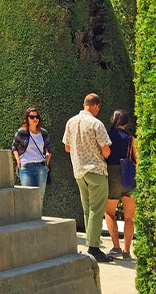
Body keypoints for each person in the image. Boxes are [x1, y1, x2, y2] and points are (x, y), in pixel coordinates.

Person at [63, 93, 113, 263]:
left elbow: (67, 148)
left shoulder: (71, 121)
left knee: (87, 208)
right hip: (96, 171)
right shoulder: (96, 123)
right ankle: (93, 248)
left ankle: (91, 244)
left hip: (79, 171)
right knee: (97, 210)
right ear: (96, 106)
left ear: (84, 104)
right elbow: (106, 151)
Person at [104, 109, 137, 260]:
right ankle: (126, 251)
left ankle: (116, 247)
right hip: (129, 177)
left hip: (113, 176)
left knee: (109, 213)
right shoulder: (131, 139)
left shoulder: (108, 136)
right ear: (126, 122)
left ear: (113, 120)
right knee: (129, 217)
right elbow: (137, 157)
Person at [11, 107, 53, 206]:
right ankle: (29, 220)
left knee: (40, 197)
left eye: (37, 117)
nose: (35, 119)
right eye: (32, 117)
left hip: (41, 167)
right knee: (27, 196)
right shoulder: (22, 132)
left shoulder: (43, 133)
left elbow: (49, 149)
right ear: (27, 119)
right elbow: (14, 146)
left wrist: (46, 163)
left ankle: (38, 220)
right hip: (26, 167)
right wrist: (18, 160)